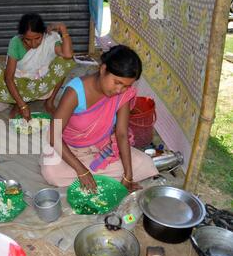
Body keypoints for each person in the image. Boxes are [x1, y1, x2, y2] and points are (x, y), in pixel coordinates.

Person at [41, 45, 158, 192]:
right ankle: (98, 175)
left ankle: (99, 175)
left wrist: (128, 176)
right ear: (103, 69)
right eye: (117, 82)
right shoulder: (75, 92)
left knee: (145, 163)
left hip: (102, 148)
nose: (119, 90)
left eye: (126, 86)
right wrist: (81, 170)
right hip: (70, 148)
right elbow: (53, 135)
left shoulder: (123, 94)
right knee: (52, 174)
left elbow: (121, 134)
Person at [0, 13, 76, 120]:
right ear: (22, 36)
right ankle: (17, 103)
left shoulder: (49, 39)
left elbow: (68, 55)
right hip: (20, 81)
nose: (33, 44)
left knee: (64, 63)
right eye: (27, 39)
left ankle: (49, 102)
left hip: (41, 80)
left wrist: (62, 28)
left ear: (43, 33)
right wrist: (22, 105)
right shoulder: (15, 42)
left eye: (37, 38)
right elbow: (8, 78)